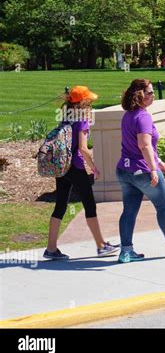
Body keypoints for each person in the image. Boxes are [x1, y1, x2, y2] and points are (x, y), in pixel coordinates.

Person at [116, 79, 165, 263]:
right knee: (163, 206)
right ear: (140, 95)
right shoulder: (143, 117)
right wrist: (152, 169)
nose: (153, 96)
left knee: (129, 211)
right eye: (150, 93)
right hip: (142, 171)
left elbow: (141, 146)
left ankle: (126, 252)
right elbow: (144, 145)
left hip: (124, 171)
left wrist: (158, 161)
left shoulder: (128, 115)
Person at [44, 86, 119, 260]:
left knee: (61, 205)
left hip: (62, 166)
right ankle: (101, 246)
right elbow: (83, 149)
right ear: (83, 102)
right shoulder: (83, 119)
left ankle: (51, 248)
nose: (91, 104)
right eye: (89, 101)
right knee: (89, 204)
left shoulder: (65, 117)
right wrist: (93, 167)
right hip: (76, 167)